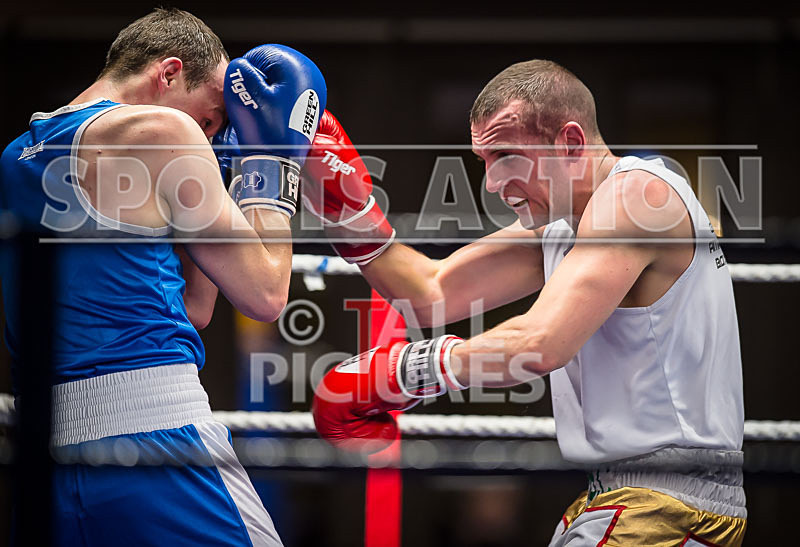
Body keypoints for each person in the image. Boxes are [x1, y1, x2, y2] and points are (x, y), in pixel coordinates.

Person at [307, 60, 746, 545]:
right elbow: (430, 292)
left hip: (669, 504)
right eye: (485, 161)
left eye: (507, 156)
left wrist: (404, 372)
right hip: (620, 498)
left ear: (572, 143)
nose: (493, 182)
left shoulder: (639, 195)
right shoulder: (565, 225)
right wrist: (346, 208)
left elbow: (540, 342)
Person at [0, 8, 326, 546]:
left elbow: (194, 309)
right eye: (212, 118)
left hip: (45, 453)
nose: (214, 135)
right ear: (169, 73)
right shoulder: (162, 129)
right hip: (157, 432)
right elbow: (267, 294)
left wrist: (215, 174)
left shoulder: (16, 156)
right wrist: (271, 168)